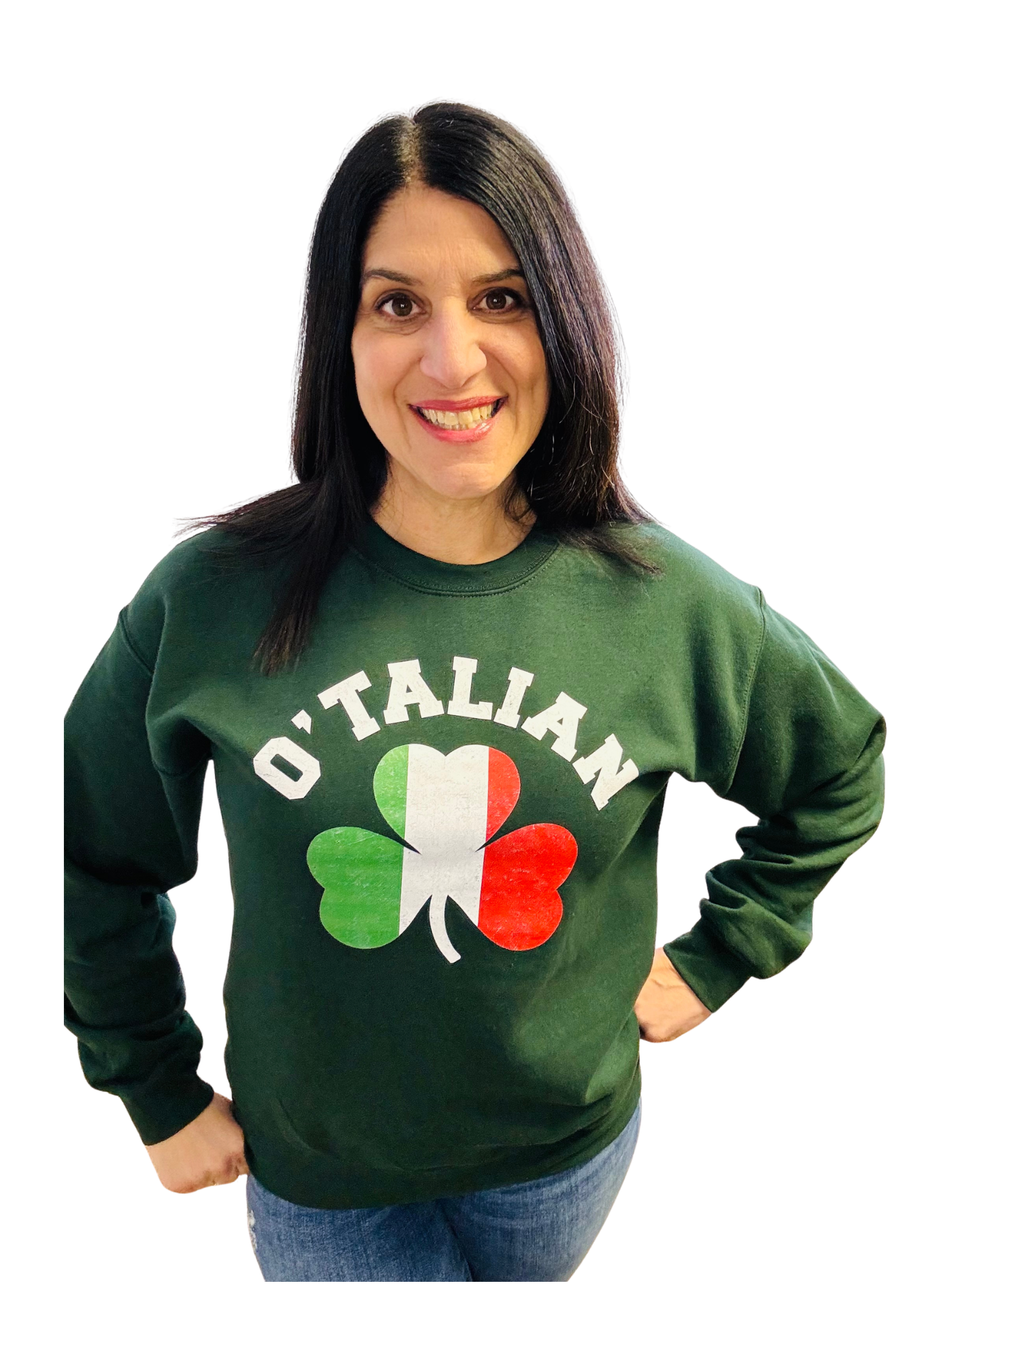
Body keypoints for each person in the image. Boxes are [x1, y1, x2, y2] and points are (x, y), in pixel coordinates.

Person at [64, 102, 886, 1282]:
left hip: (561, 1158)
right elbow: (84, 848)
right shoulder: (211, 598)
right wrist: (153, 1085)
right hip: (321, 1177)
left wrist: (723, 952)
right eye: (398, 305)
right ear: (340, 335)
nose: (453, 361)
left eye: (501, 298)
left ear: (563, 317)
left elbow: (839, 765)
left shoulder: (663, 604)